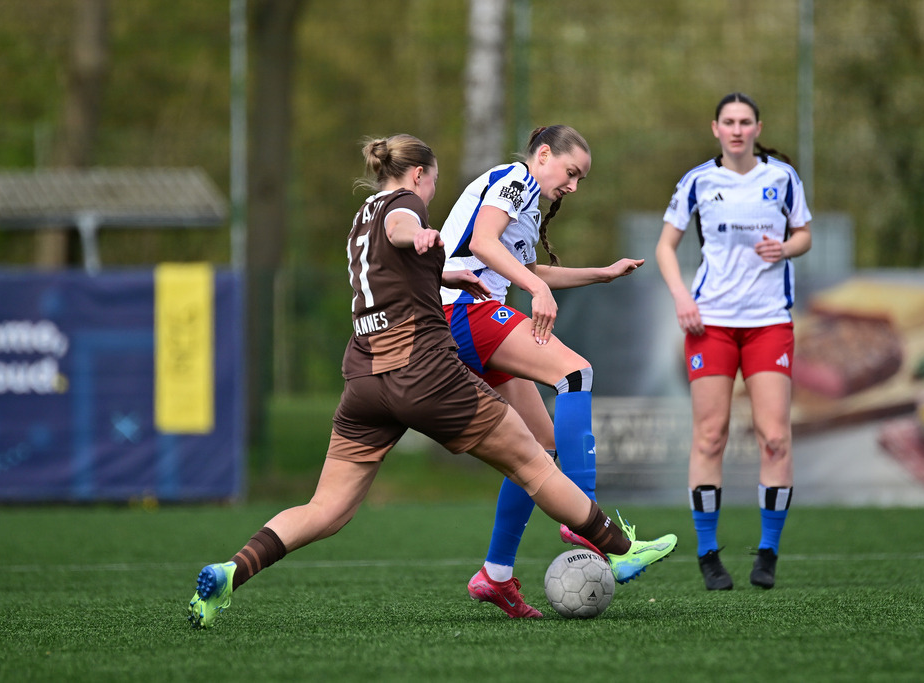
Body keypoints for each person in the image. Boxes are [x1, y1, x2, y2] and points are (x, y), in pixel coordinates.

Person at [187, 134, 678, 629]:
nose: (434, 194)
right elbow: (404, 229)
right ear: (419, 174)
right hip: (423, 371)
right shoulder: (411, 204)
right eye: (435, 181)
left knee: (326, 509)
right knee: (536, 456)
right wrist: (419, 237)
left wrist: (446, 274)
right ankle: (614, 545)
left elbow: (397, 267)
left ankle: (231, 570)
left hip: (365, 377)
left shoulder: (361, 218)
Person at [439, 125, 646, 618]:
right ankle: (585, 515)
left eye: (580, 180)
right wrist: (537, 291)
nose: (573, 187)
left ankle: (496, 574)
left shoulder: (526, 200)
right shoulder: (514, 177)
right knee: (576, 373)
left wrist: (602, 273)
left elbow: (527, 267)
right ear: (544, 155)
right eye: (571, 173)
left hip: (462, 315)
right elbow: (486, 244)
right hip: (462, 309)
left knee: (540, 448)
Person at [655, 93, 812, 591]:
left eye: (746, 122)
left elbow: (805, 234)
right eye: (729, 122)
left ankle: (767, 553)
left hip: (769, 322)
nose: (738, 129)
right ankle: (707, 555)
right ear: (716, 128)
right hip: (712, 324)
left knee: (775, 436)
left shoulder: (781, 178)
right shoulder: (698, 181)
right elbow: (665, 245)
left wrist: (785, 247)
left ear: (757, 127)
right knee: (710, 435)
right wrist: (682, 296)